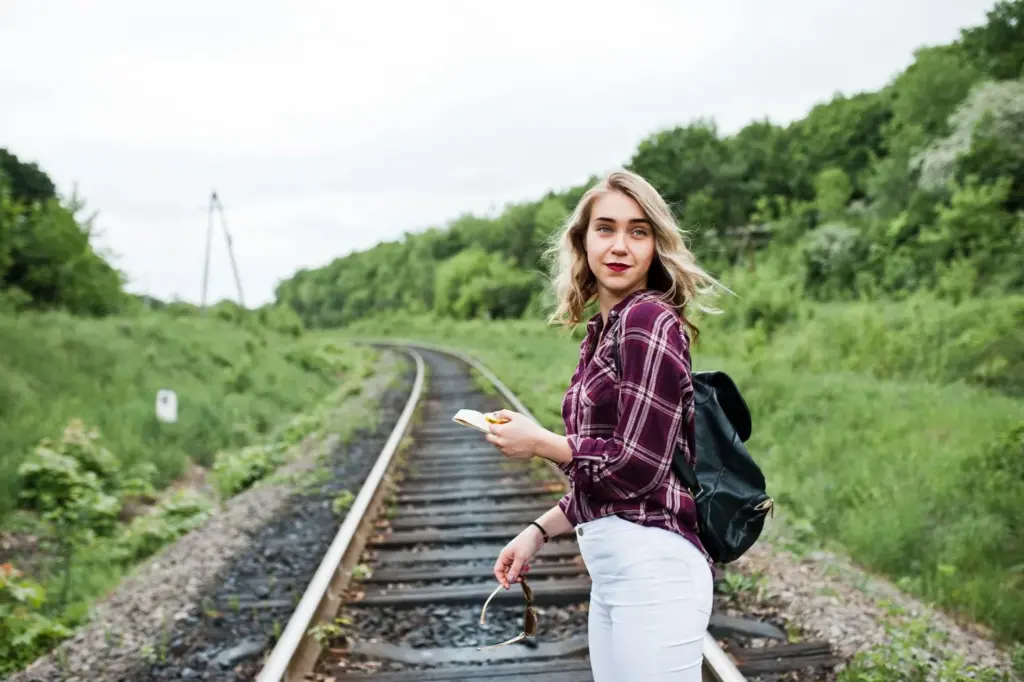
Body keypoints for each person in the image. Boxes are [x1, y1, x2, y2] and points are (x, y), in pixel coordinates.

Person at [483, 169, 724, 681]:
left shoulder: (647, 321)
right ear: (583, 241)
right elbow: (607, 481)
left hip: (654, 571)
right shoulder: (605, 331)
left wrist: (542, 443)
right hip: (619, 574)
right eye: (606, 228)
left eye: (638, 231)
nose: (619, 246)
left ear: (656, 247)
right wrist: (537, 532)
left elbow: (639, 467)